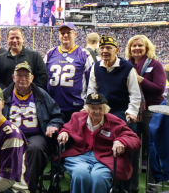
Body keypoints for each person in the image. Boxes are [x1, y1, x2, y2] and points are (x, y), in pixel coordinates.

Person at [57, 93, 141, 193]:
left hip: (105, 157)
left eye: (100, 108)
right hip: (79, 155)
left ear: (105, 109)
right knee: (80, 174)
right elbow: (67, 127)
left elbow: (135, 139)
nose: (97, 111)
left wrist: (121, 141)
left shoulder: (115, 121)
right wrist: (64, 132)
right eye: (93, 108)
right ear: (87, 109)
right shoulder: (77, 117)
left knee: (99, 178)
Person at [4, 62, 64, 193]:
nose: (23, 79)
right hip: (10, 135)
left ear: (32, 78)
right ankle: (7, 187)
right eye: (19, 75)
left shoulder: (41, 95)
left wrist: (53, 125)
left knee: (35, 149)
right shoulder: (4, 95)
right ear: (13, 78)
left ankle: (27, 189)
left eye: (26, 75)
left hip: (36, 136)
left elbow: (57, 115)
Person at [125, 35, 166, 193]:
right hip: (133, 111)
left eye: (140, 46)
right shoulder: (126, 65)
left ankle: (152, 187)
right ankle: (132, 186)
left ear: (147, 47)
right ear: (130, 48)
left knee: (152, 150)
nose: (136, 48)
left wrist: (140, 79)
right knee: (132, 150)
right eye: (133, 46)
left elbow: (159, 89)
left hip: (152, 111)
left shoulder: (155, 65)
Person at [44, 22, 94, 122]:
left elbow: (92, 83)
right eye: (62, 33)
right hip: (52, 107)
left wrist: (89, 104)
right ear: (59, 36)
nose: (65, 35)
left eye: (68, 32)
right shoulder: (50, 53)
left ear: (75, 34)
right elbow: (43, 78)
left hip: (76, 108)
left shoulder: (84, 54)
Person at [87, 35, 141, 123]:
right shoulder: (96, 66)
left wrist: (132, 112)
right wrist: (89, 107)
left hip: (122, 113)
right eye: (102, 48)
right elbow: (92, 90)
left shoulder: (127, 67)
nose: (104, 51)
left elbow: (135, 94)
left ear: (117, 50)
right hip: (101, 111)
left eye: (108, 48)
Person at [0, 27, 48, 91]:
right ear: (7, 40)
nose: (14, 40)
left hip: (30, 97)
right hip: (7, 99)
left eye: (17, 38)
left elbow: (43, 76)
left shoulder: (34, 56)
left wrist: (30, 90)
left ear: (23, 39)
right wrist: (7, 92)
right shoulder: (0, 59)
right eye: (12, 38)